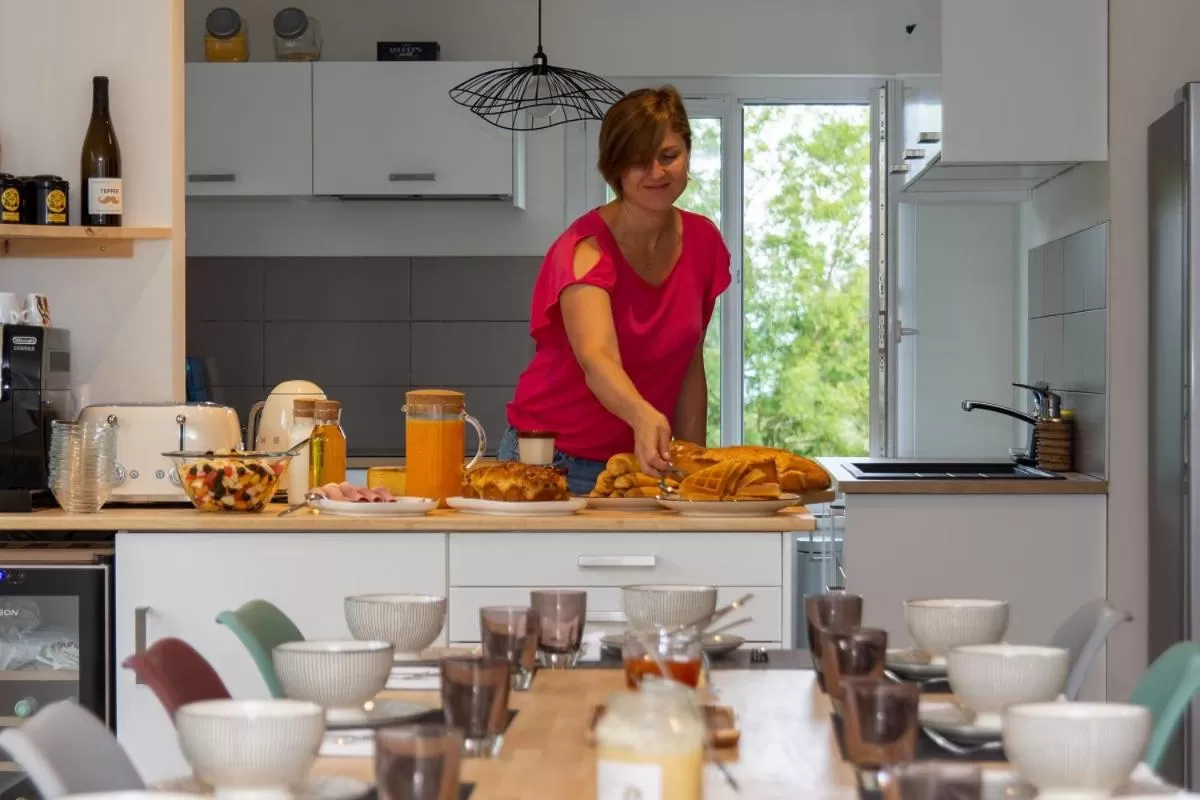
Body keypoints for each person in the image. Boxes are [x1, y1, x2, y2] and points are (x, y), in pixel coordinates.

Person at [498, 85, 731, 495]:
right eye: (638, 161)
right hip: (553, 461)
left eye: (668, 156)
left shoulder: (703, 243)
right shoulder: (583, 250)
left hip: (643, 464)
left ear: (688, 154)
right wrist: (643, 415)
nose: (656, 173)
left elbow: (689, 365)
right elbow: (598, 360)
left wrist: (693, 462)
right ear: (615, 168)